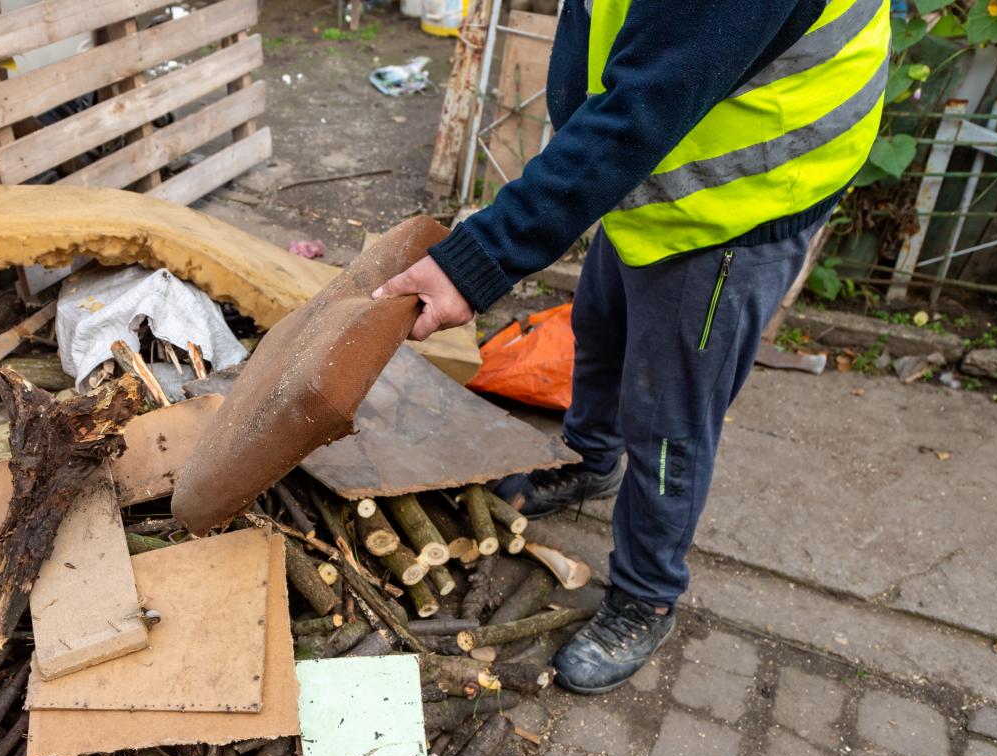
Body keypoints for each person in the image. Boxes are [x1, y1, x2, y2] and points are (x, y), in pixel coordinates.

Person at [375, 0, 888, 693]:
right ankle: (590, 461)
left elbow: (652, 95)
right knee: (601, 329)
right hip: (652, 165)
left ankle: (647, 593)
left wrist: (480, 257)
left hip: (735, 198)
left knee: (669, 418)